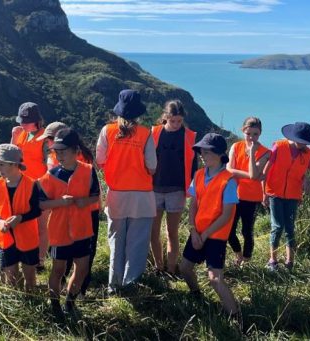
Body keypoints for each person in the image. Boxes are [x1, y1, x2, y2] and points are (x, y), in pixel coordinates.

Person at [96, 89, 157, 294]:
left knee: (116, 242)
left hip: (116, 195)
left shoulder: (107, 131)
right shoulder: (145, 133)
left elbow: (100, 160)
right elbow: (152, 166)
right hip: (141, 196)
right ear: (138, 113)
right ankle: (131, 285)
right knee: (137, 244)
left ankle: (114, 285)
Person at [38, 129, 100, 317]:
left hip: (82, 230)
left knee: (81, 269)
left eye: (63, 151)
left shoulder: (88, 171)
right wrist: (60, 202)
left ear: (75, 151)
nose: (59, 156)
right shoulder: (51, 175)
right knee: (58, 269)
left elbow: (96, 196)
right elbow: (41, 203)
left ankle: (70, 303)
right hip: (59, 231)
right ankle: (55, 305)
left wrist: (85, 201)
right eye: (56, 152)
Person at [179, 133, 239, 316]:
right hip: (198, 232)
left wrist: (204, 235)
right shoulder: (198, 175)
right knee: (184, 268)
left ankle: (236, 317)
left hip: (216, 236)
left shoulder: (228, 180)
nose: (202, 156)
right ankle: (196, 294)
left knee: (214, 279)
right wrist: (193, 230)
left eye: (206, 152)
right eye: (201, 152)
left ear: (220, 154)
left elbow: (227, 215)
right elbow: (193, 206)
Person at [262, 122, 310, 271]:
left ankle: (290, 263)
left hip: (293, 195)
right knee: (277, 226)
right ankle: (272, 261)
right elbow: (266, 171)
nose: (303, 144)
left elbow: (305, 172)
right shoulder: (279, 147)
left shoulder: (308, 154)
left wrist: (306, 180)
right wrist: (264, 193)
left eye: (305, 141)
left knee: (290, 228)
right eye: (301, 140)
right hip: (274, 192)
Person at [150, 100, 196, 276]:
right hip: (154, 188)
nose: (176, 124)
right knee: (153, 231)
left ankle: (170, 268)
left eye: (179, 120)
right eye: (172, 120)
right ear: (165, 117)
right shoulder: (154, 132)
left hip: (177, 189)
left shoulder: (189, 135)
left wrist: (191, 189)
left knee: (172, 232)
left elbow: (193, 165)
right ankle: (158, 266)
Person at [0, 144, 42, 290]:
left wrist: (20, 218)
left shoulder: (32, 184)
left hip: (28, 238)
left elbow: (37, 210)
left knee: (30, 279)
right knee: (11, 281)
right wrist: (0, 222)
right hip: (5, 239)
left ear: (14, 164)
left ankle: (32, 303)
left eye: (2, 164)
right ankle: (18, 305)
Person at [11, 102, 51, 267]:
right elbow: (11, 157)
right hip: (22, 186)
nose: (22, 124)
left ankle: (40, 261)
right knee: (25, 225)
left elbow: (51, 165)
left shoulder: (45, 138)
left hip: (41, 187)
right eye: (21, 121)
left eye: (25, 122)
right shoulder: (20, 133)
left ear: (37, 121)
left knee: (42, 225)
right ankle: (25, 255)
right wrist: (13, 138)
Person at [226, 117, 270, 266]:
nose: (251, 137)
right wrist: (253, 176)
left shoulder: (265, 152)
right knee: (229, 231)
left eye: (255, 134)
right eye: (248, 133)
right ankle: (239, 255)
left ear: (260, 134)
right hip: (234, 195)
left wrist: (251, 153)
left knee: (247, 231)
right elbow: (229, 170)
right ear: (243, 130)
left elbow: (252, 174)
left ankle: (246, 261)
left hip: (251, 198)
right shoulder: (235, 146)